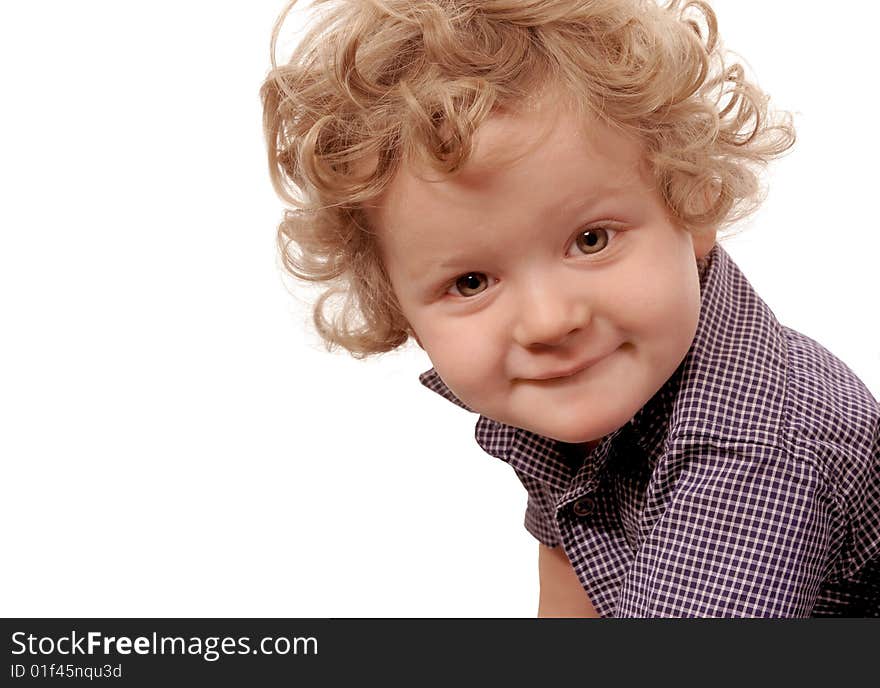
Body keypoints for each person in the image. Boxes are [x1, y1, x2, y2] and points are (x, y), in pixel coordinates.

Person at [260, 0, 880, 617]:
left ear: (693, 202)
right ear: (398, 310)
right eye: (472, 282)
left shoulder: (756, 456)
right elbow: (570, 584)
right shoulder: (593, 386)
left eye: (592, 240)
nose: (550, 321)